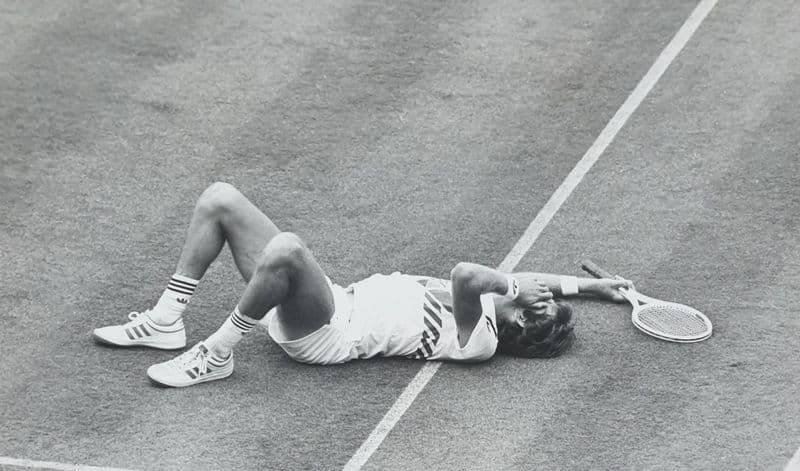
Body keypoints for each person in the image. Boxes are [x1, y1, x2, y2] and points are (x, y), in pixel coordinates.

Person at [92, 183, 630, 388]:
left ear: (520, 320)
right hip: (332, 298)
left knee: (289, 249)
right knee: (221, 199)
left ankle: (217, 353)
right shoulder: (498, 303)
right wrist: (589, 290)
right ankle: (166, 321)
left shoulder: (482, 335)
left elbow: (470, 274)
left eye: (533, 302)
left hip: (327, 335)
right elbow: (522, 285)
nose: (531, 291)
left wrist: (518, 285)